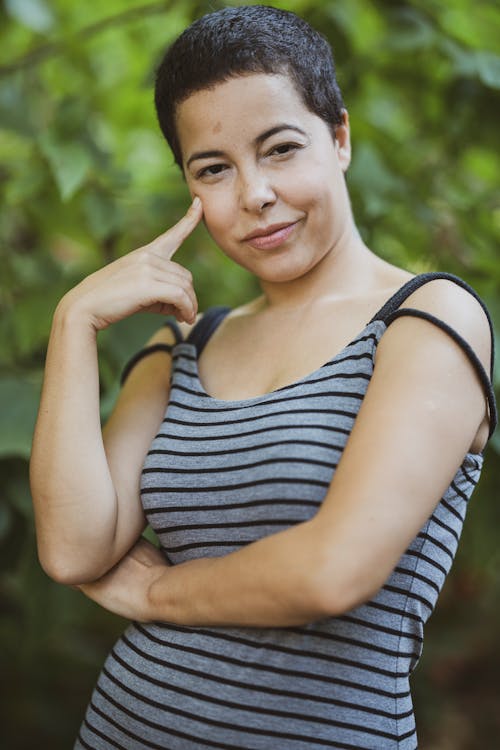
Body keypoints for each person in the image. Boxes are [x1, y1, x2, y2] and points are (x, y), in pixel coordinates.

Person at [30, 5, 497, 749]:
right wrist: (73, 322)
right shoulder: (185, 341)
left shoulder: (427, 318)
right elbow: (74, 549)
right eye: (213, 168)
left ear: (339, 138)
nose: (253, 194)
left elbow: (331, 572)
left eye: (280, 149)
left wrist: (156, 591)